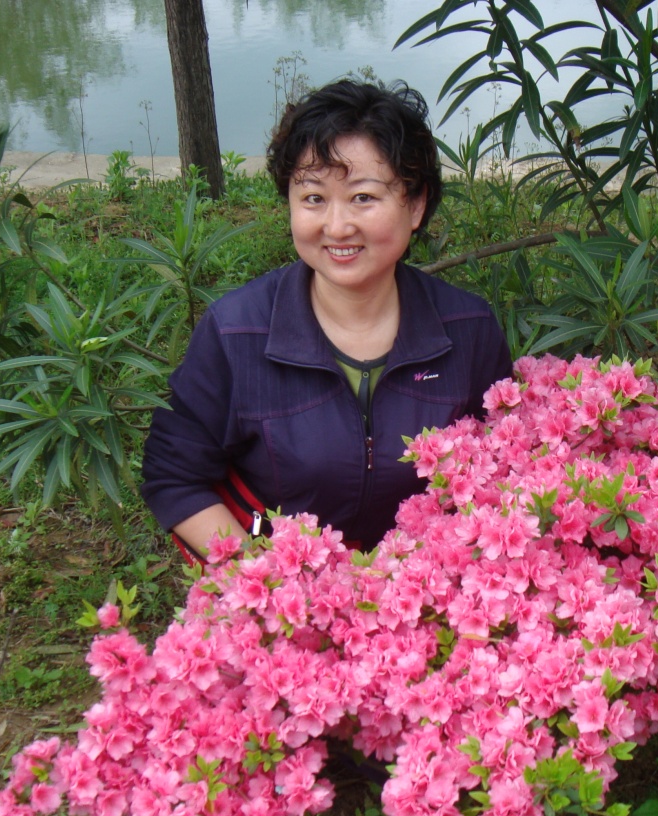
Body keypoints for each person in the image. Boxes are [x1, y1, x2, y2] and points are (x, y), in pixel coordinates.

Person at [140, 79, 512, 559]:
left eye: (363, 197)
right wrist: (264, 580)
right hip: (288, 587)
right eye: (314, 198)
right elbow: (175, 475)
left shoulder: (469, 329)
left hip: (430, 590)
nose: (337, 227)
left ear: (416, 205)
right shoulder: (236, 333)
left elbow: (507, 468)